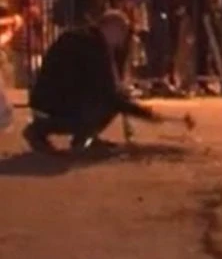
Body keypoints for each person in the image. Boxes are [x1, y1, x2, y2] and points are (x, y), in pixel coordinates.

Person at [22, 10, 165, 152]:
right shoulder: (95, 46)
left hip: (49, 97)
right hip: (56, 101)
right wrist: (144, 113)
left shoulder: (85, 38)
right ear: (113, 29)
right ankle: (40, 129)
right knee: (107, 105)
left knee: (106, 102)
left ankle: (85, 136)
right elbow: (109, 95)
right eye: (123, 33)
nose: (122, 40)